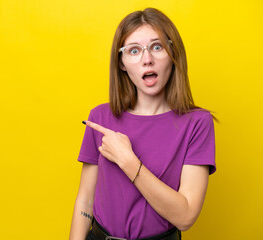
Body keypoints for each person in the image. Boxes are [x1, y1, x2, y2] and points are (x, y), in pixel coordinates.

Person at [69, 7, 217, 240]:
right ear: (122, 63)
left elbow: (185, 217)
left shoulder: (197, 123)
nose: (147, 59)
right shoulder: (100, 118)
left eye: (157, 47)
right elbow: (85, 200)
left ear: (173, 53)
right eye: (134, 51)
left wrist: (127, 160)